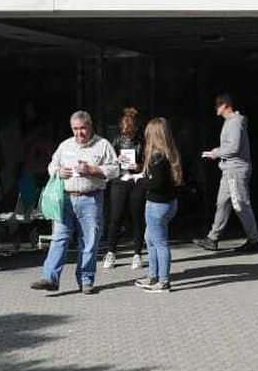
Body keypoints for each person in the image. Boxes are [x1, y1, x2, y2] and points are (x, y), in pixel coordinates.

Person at [32, 111, 119, 293]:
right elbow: (52, 165)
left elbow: (114, 170)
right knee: (59, 239)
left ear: (90, 126)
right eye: (75, 129)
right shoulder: (65, 145)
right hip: (66, 199)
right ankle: (50, 278)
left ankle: (86, 280)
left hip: (91, 199)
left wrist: (92, 169)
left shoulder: (103, 145)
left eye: (82, 128)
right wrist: (58, 171)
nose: (79, 133)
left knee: (89, 241)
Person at [196, 94, 258, 254]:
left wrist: (216, 153)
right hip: (230, 170)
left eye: (218, 105)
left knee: (240, 204)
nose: (216, 108)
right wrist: (217, 152)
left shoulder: (234, 123)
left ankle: (253, 241)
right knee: (223, 202)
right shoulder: (232, 122)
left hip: (235, 170)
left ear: (225, 105)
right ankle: (212, 238)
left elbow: (234, 148)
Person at [136, 116, 183, 293]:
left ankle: (163, 281)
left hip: (157, 205)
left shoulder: (157, 158)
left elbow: (155, 183)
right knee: (150, 238)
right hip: (168, 204)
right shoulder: (169, 154)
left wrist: (139, 182)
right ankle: (152, 275)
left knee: (160, 243)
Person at [102, 107, 147, 271]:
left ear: (136, 128)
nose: (128, 135)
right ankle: (111, 252)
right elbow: (108, 163)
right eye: (125, 132)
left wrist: (139, 166)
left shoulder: (143, 141)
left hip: (137, 180)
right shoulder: (116, 141)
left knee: (137, 217)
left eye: (131, 132)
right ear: (121, 129)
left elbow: (148, 162)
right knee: (115, 218)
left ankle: (137, 253)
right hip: (120, 180)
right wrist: (117, 161)